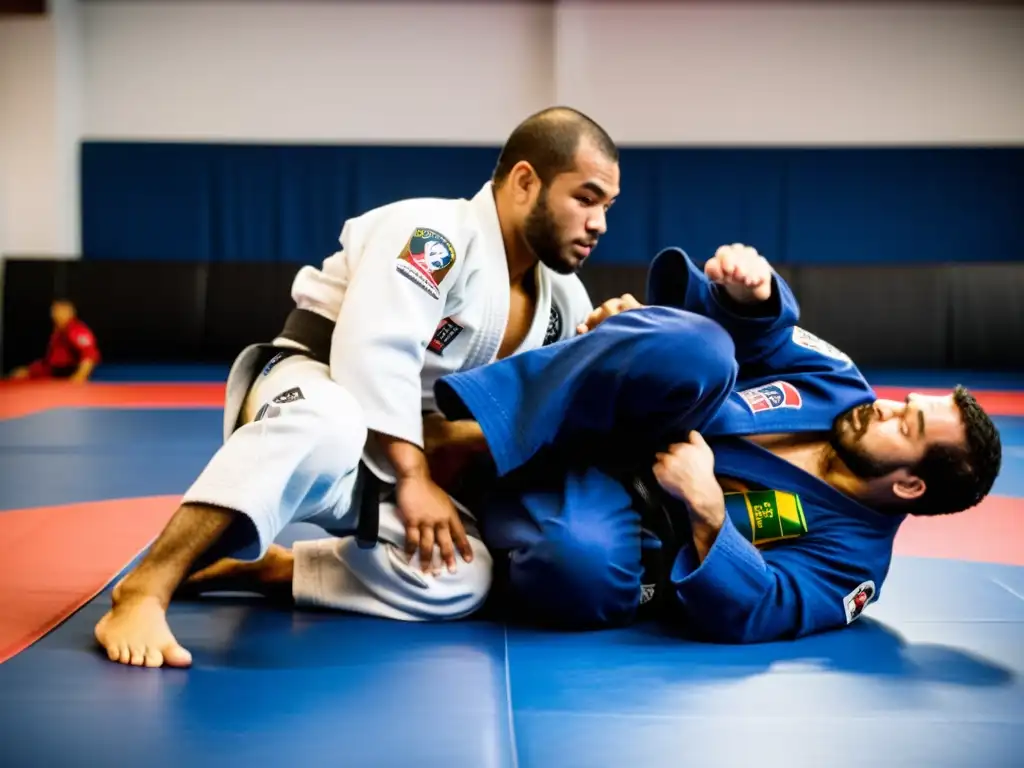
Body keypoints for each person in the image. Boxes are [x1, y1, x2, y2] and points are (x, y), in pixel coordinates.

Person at [93, 106, 627, 668]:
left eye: (607, 207)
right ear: (525, 182)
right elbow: (371, 351)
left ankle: (279, 570)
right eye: (586, 199)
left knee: (463, 577)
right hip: (312, 394)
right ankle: (145, 588)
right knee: (331, 423)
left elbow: (554, 403)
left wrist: (612, 333)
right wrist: (415, 475)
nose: (600, 224)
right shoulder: (435, 234)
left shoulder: (565, 300)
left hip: (394, 462)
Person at [423, 242, 1003, 642]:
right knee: (696, 346)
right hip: (623, 414)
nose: (887, 406)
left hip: (631, 517)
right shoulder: (843, 384)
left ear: (909, 483)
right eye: (907, 404)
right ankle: (466, 433)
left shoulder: (854, 565)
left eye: (906, 425)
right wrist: (751, 298)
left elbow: (763, 608)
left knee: (582, 568)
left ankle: (484, 493)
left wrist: (706, 512)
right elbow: (766, 333)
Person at [8, 299, 100, 382]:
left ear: (71, 313)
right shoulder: (57, 334)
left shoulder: (77, 330)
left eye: (60, 311)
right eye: (54, 311)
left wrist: (79, 377)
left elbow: (89, 356)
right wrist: (29, 371)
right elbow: (50, 363)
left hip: (67, 378)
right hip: (53, 377)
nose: (55, 314)